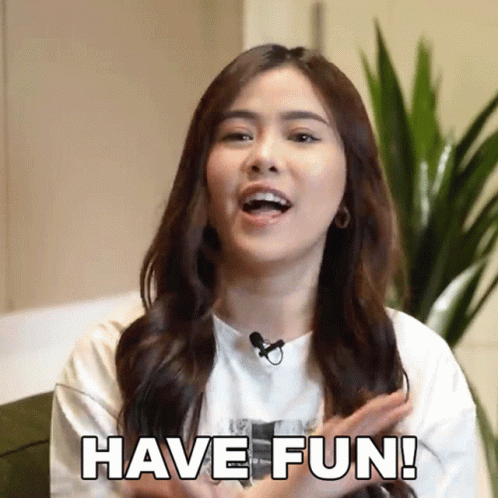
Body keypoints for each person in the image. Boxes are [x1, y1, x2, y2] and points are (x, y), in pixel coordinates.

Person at [50, 45, 477, 498]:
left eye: (303, 136)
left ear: (348, 191)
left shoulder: (418, 368)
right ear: (202, 183)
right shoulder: (109, 362)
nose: (264, 156)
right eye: (237, 135)